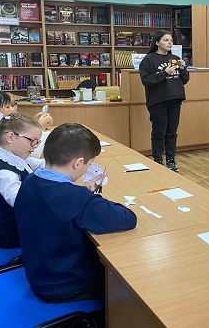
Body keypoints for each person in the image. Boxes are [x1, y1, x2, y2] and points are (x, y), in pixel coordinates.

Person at [14, 123, 137, 303]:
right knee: (127, 284)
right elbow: (128, 218)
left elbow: (60, 203)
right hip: (65, 285)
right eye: (89, 163)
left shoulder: (30, 180)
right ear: (78, 163)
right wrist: (89, 197)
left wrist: (83, 194)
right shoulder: (78, 199)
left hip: (39, 271)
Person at [0, 113, 45, 248]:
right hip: (11, 234)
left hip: (18, 225)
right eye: (32, 141)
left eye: (38, 142)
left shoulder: (14, 157)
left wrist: (64, 161)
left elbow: (41, 164)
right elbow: (22, 203)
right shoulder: (4, 173)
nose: (35, 146)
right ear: (10, 137)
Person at [139, 30, 189, 172]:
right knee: (159, 132)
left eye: (171, 40)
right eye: (166, 40)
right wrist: (164, 73)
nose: (170, 43)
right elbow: (146, 80)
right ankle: (158, 160)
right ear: (157, 42)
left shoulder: (175, 58)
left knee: (172, 132)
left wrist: (183, 69)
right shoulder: (149, 59)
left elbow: (184, 80)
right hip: (158, 100)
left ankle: (171, 160)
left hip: (175, 98)